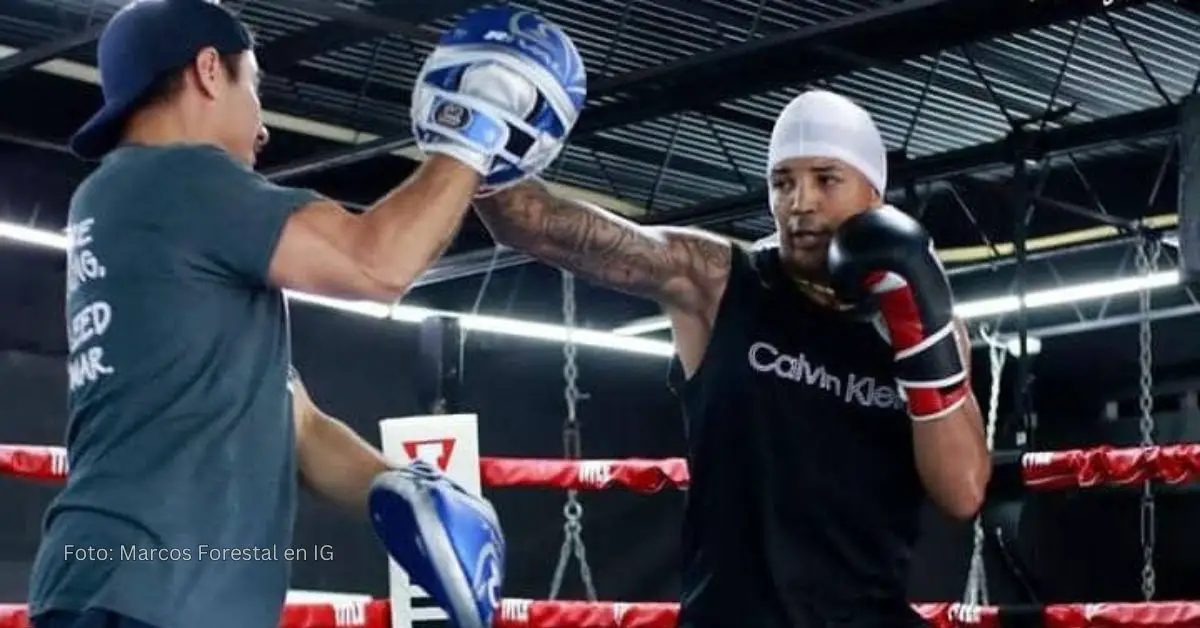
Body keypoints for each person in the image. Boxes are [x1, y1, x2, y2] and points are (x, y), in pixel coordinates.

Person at [28, 1, 582, 627]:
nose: (262, 129)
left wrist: (407, 492)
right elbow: (378, 265)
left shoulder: (145, 216)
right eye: (254, 86)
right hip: (151, 597)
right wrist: (479, 121)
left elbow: (300, 428)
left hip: (131, 594)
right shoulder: (175, 178)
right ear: (210, 71)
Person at [473, 90, 992, 627]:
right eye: (782, 182)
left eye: (826, 178)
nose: (800, 202)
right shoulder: (719, 282)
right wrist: (475, 133)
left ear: (874, 194)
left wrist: (919, 334)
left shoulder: (928, 325)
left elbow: (962, 493)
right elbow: (530, 223)